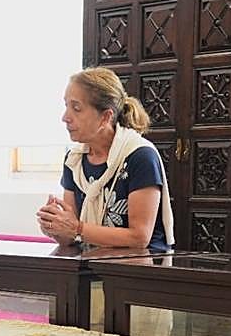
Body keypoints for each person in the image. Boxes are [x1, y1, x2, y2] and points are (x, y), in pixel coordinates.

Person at [36, 67, 173, 253]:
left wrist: (77, 228)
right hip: (93, 261)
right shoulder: (74, 159)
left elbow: (139, 237)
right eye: (65, 106)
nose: (65, 117)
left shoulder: (140, 156)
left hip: (140, 267)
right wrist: (55, 226)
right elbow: (70, 237)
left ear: (106, 117)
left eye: (76, 108)